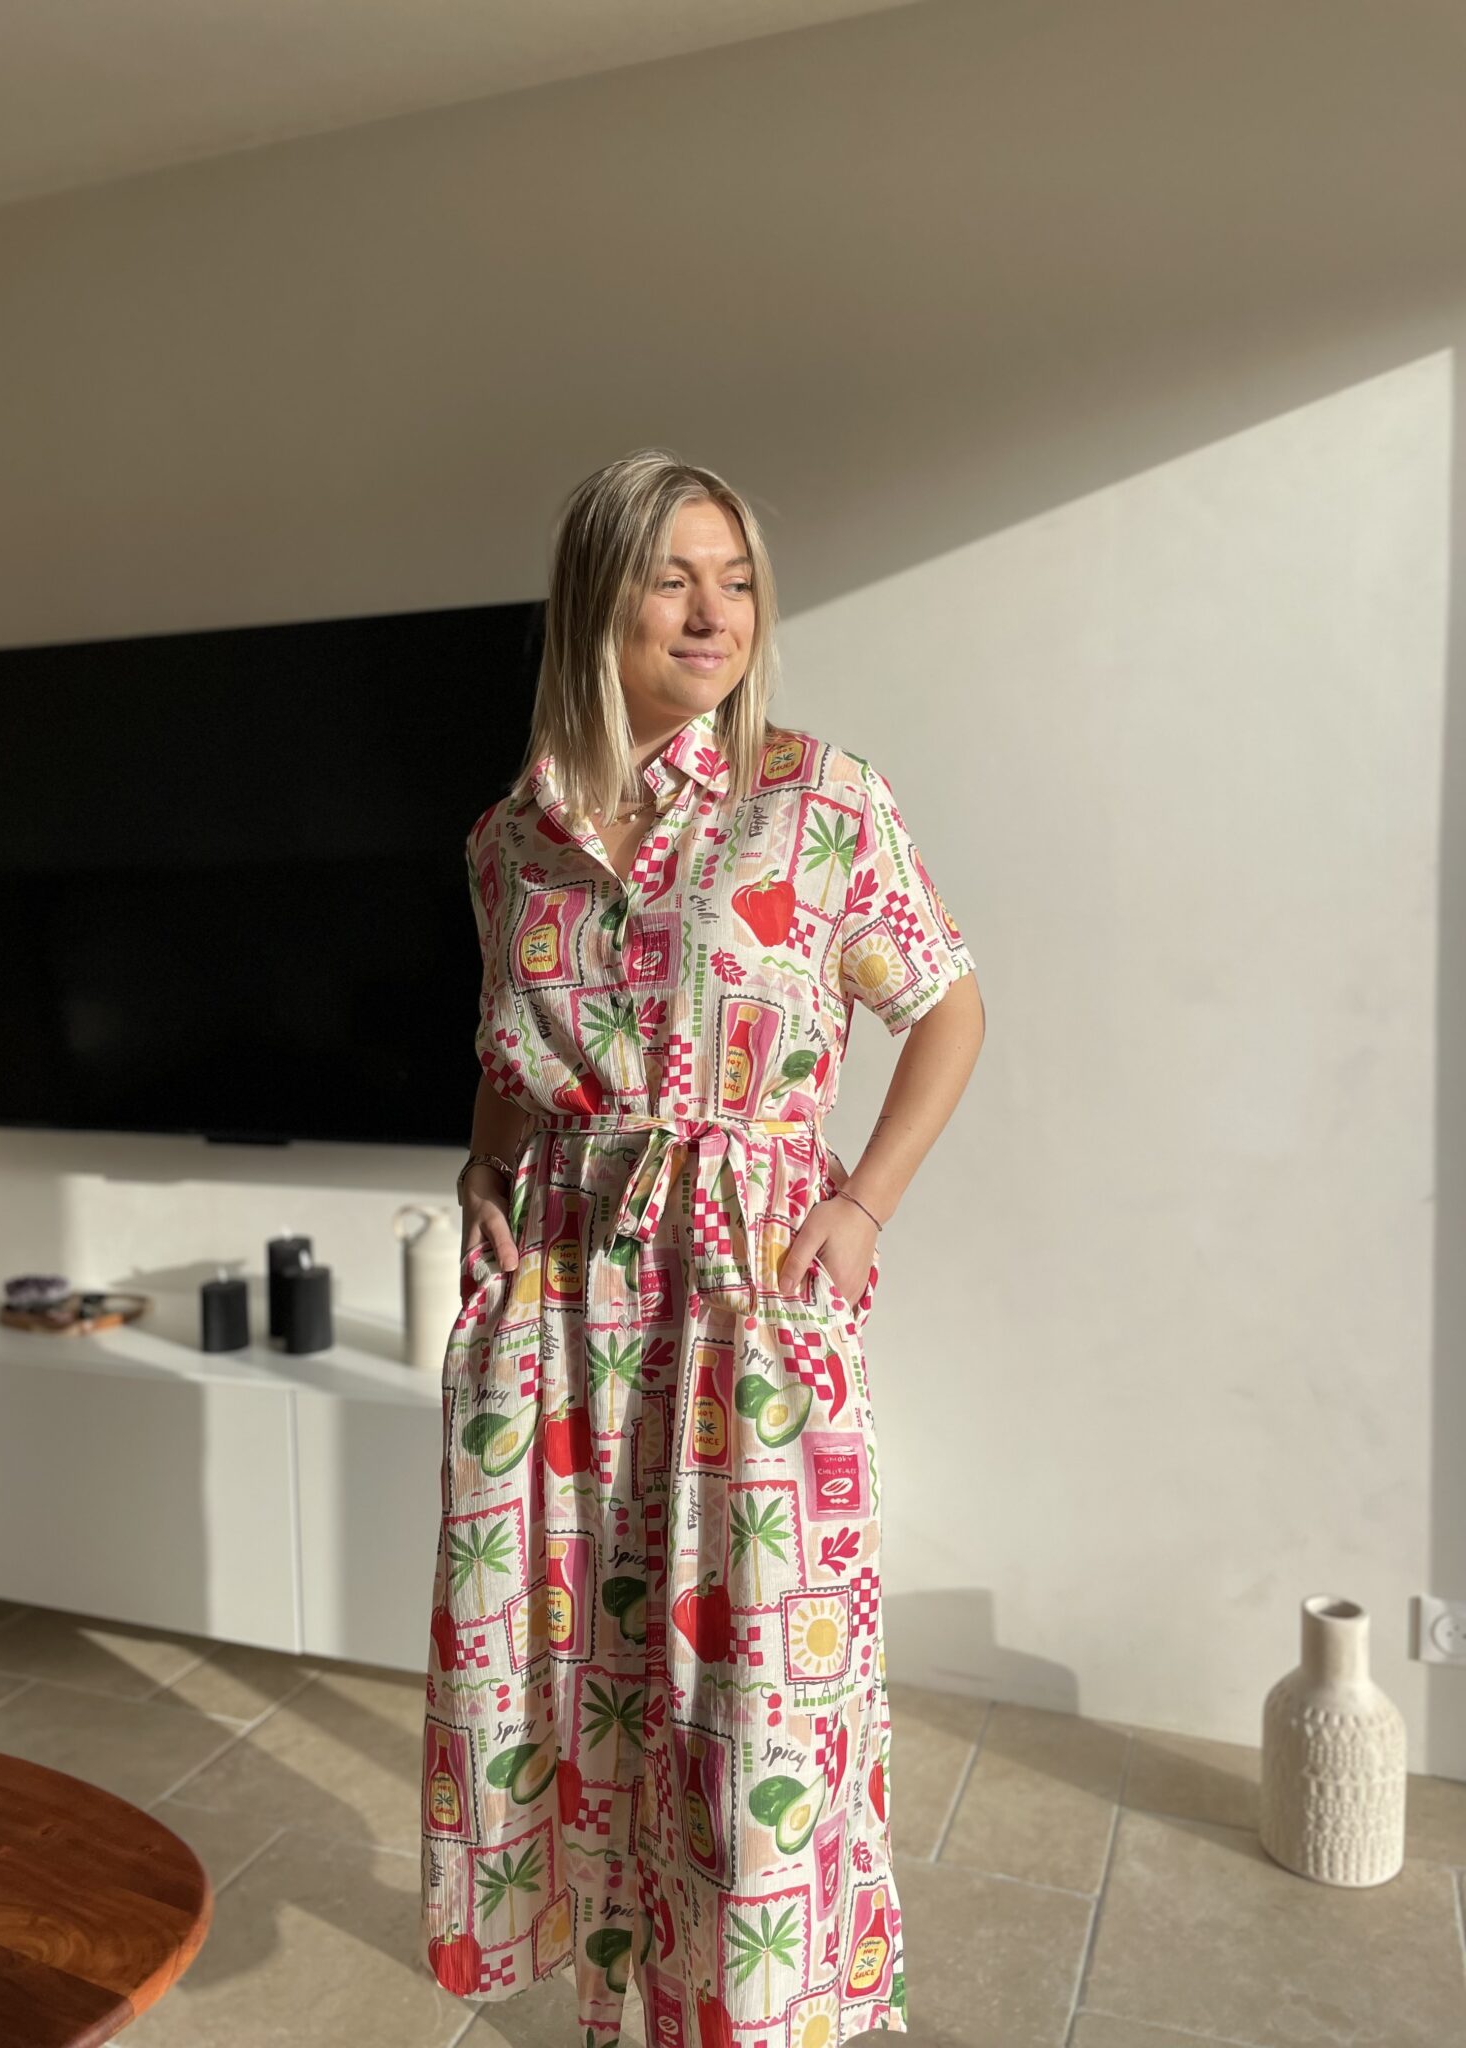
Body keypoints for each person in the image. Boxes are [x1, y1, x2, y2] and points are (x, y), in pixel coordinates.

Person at [419, 449, 984, 2047]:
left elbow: (947, 1009)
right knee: (576, 1686)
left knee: (754, 1715)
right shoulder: (507, 844)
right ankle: (625, 2011)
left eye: (735, 580)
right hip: (557, 1324)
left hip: (744, 1311)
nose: (712, 610)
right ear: (595, 599)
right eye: (672, 575)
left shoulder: (817, 802)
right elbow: (509, 1053)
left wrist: (861, 1204)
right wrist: (484, 1165)